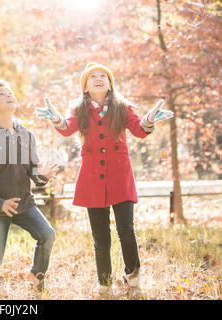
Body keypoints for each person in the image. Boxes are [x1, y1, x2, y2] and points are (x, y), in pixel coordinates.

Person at [35, 62, 172, 297]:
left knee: (126, 230)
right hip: (91, 180)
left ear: (110, 84)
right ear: (85, 87)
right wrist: (56, 118)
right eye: (92, 77)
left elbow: (139, 130)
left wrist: (150, 119)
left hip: (120, 176)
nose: (98, 78)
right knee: (100, 237)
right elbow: (67, 128)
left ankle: (133, 276)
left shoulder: (123, 108)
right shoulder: (79, 110)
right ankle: (104, 282)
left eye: (103, 76)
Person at [0, 79, 59, 297]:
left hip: (23, 203)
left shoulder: (26, 135)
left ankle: (36, 278)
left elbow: (32, 171)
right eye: (1, 94)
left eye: (10, 92)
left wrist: (42, 176)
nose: (9, 95)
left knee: (47, 235)